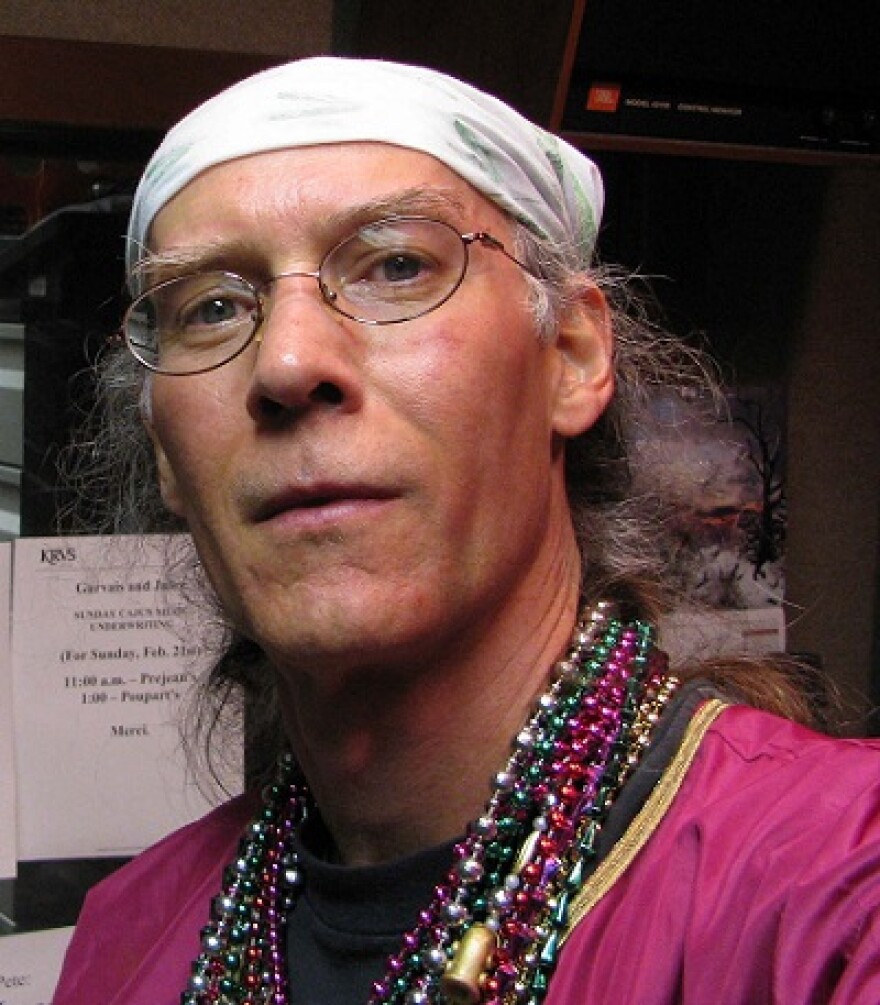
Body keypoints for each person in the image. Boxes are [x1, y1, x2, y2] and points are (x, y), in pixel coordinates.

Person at [54, 57, 880, 1005]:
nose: (285, 362)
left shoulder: (834, 900)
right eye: (212, 307)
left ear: (570, 355)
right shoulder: (126, 942)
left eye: (396, 266)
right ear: (165, 453)